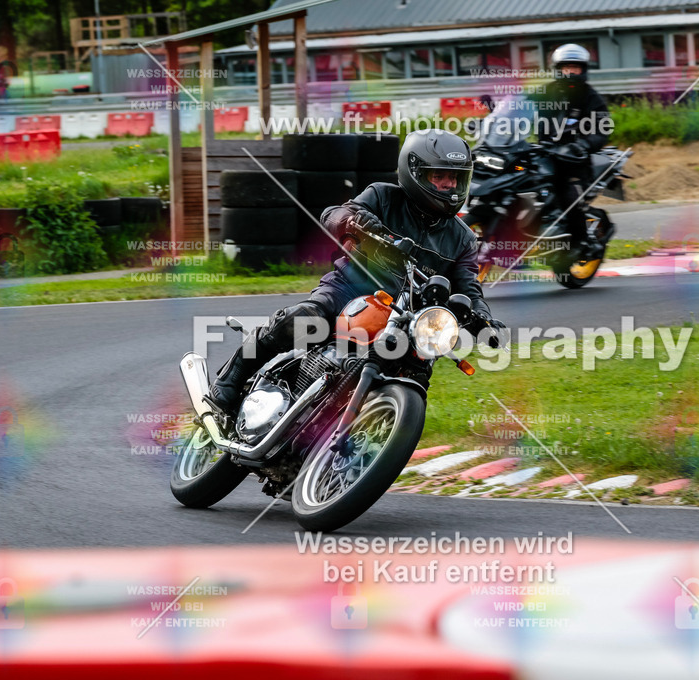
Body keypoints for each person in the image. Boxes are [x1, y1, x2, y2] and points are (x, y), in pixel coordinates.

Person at [208, 130, 505, 416]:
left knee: (417, 371)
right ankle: (230, 379)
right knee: (302, 320)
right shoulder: (383, 197)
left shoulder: (463, 238)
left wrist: (483, 319)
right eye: (438, 176)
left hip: (408, 317)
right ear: (414, 173)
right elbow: (332, 215)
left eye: (454, 177)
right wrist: (353, 221)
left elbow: (468, 287)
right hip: (350, 288)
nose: (448, 185)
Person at [534, 43, 613, 262]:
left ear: (583, 70)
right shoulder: (547, 92)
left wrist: (583, 145)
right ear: (557, 70)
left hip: (575, 161)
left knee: (568, 195)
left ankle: (578, 244)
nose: (570, 73)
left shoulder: (590, 97)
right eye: (566, 68)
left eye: (575, 68)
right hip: (545, 154)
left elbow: (602, 129)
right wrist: (495, 113)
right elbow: (521, 107)